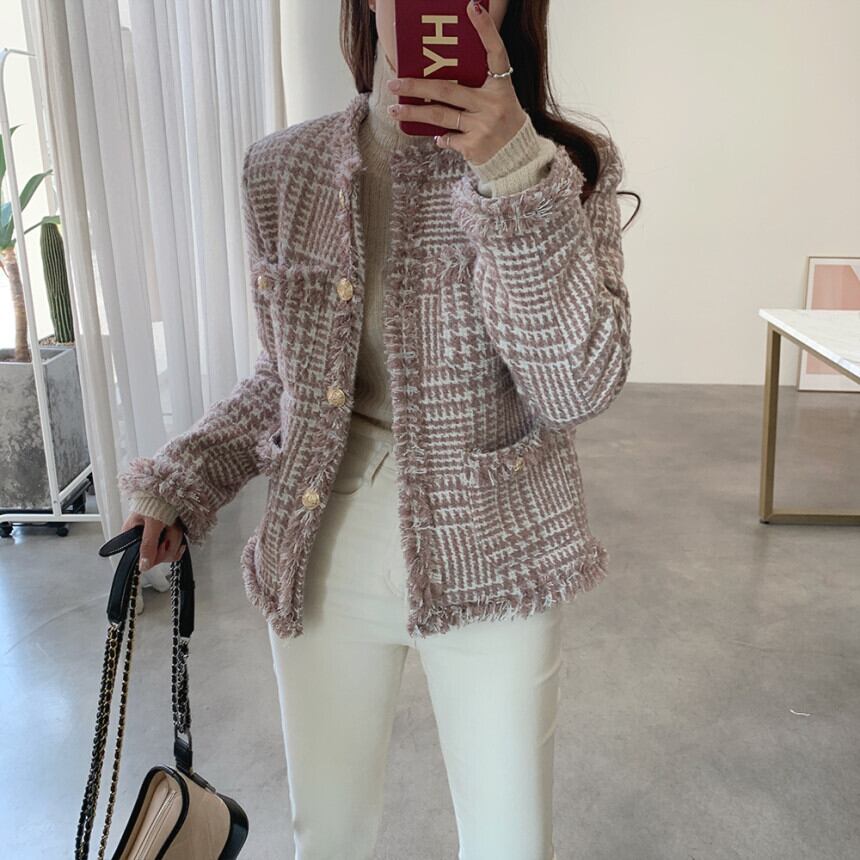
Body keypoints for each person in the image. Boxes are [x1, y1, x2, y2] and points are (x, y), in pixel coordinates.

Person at [118, 1, 632, 857]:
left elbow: (575, 385)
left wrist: (509, 170)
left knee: (509, 842)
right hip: (324, 540)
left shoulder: (564, 166)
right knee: (328, 836)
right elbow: (284, 375)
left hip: (496, 545)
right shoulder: (284, 167)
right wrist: (184, 479)